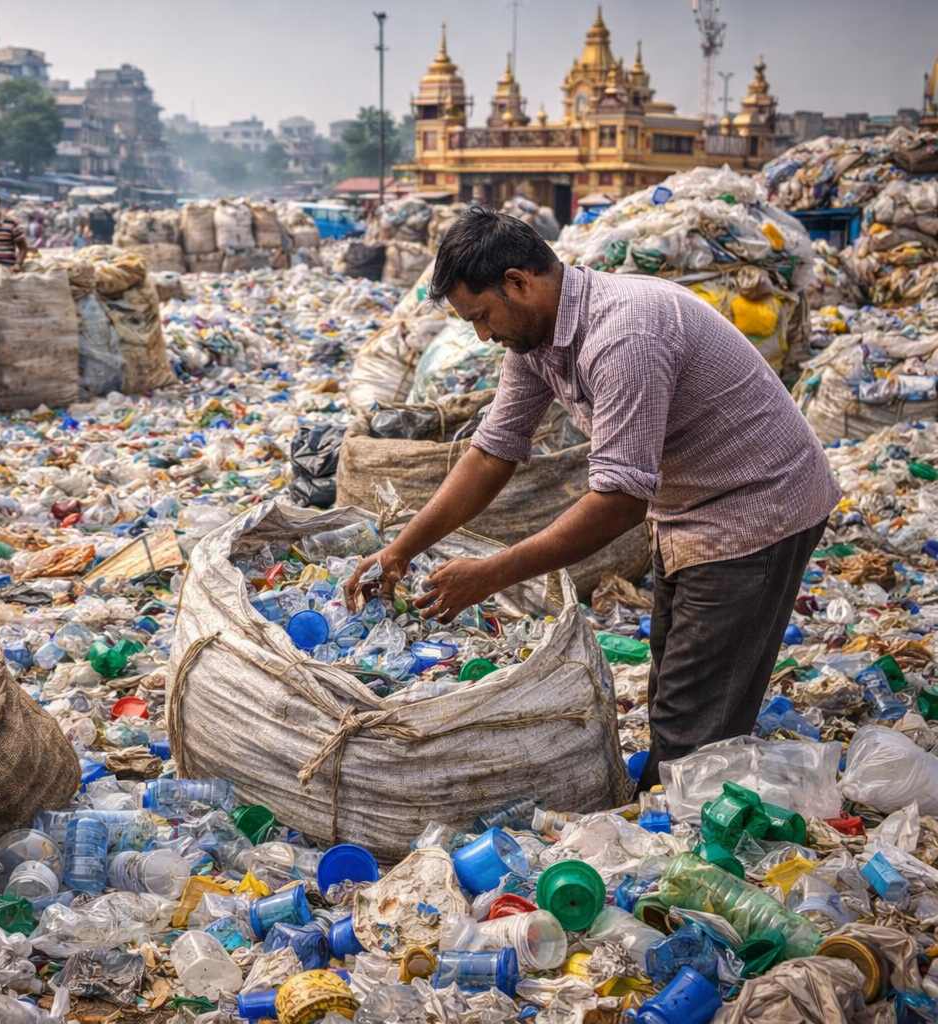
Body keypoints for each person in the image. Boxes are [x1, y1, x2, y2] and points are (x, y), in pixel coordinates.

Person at [344, 207, 840, 791]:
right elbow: (492, 453)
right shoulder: (535, 340)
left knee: (696, 718)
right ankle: (673, 787)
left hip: (757, 506)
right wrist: (400, 551)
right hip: (688, 507)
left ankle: (682, 828)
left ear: (518, 283)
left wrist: (492, 574)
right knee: (673, 679)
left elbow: (620, 500)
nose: (482, 334)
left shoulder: (624, 333)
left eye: (481, 316)